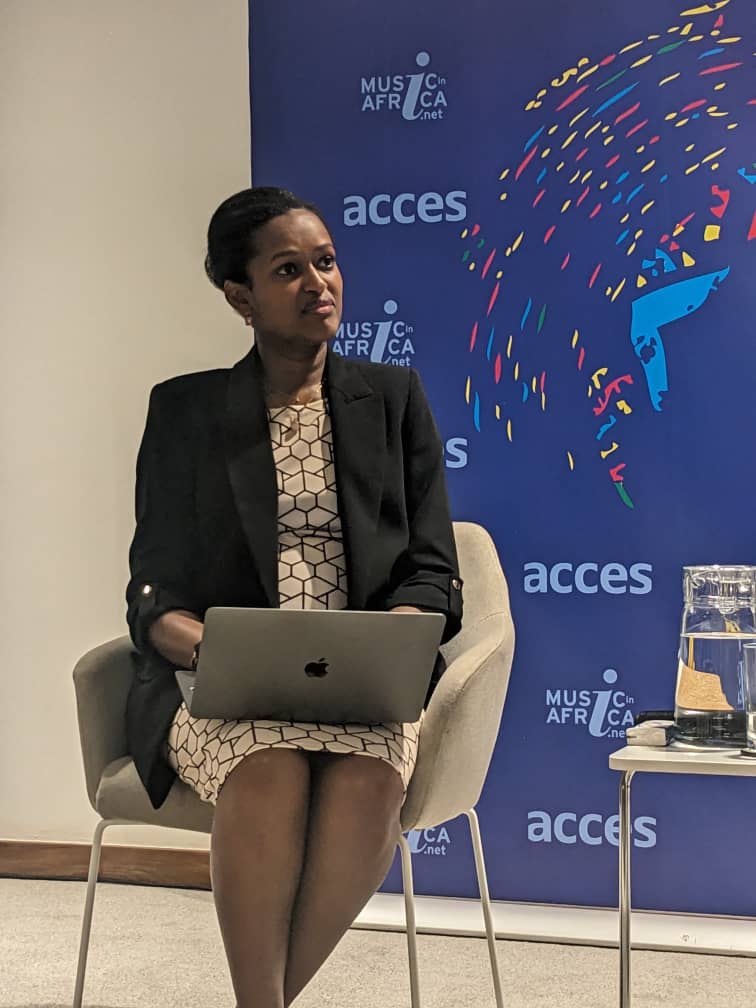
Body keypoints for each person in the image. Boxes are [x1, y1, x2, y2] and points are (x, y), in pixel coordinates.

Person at [125, 186, 463, 1008]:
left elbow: (432, 567)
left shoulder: (392, 399)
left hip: (362, 690)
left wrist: (392, 641)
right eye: (288, 270)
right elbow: (152, 590)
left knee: (369, 782)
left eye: (326, 262)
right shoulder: (186, 411)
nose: (319, 284)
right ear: (239, 297)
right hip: (221, 690)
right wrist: (215, 649)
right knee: (270, 768)